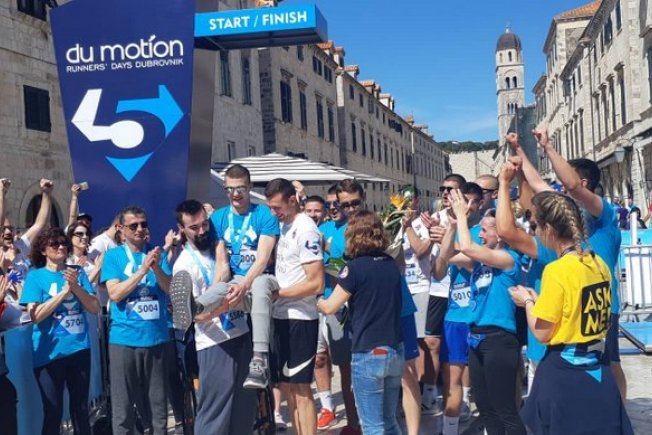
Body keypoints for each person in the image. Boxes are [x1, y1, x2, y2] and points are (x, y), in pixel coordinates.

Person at [512, 129, 626, 399]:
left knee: (608, 363)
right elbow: (538, 185)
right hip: (573, 298)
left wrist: (549, 147)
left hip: (598, 302)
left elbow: (572, 187)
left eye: (563, 179)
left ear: (583, 182)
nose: (561, 187)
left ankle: (618, 410)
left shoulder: (602, 214)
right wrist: (519, 150)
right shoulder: (569, 214)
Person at [509, 191, 633, 434]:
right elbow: (579, 309)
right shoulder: (598, 264)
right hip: (598, 367)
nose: (534, 232)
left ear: (548, 229)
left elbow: (542, 333)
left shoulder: (557, 270)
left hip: (565, 372)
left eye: (535, 226)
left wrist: (528, 302)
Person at [171, 164, 279, 389]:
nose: (235, 194)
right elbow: (222, 264)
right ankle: (195, 307)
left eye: (240, 189)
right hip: (238, 280)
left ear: (249, 187)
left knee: (259, 284)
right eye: (230, 189)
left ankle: (259, 359)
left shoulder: (263, 214)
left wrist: (244, 284)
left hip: (263, 278)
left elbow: (262, 260)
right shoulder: (219, 218)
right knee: (223, 285)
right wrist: (216, 294)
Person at [171, 200, 256, 434]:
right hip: (213, 342)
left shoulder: (221, 249)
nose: (201, 231)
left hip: (241, 331)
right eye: (194, 227)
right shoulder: (184, 265)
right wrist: (220, 309)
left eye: (204, 224)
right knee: (215, 412)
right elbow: (190, 317)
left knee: (244, 408)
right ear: (182, 229)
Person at [446, 191, 526, 434]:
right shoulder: (479, 262)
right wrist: (452, 225)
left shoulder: (508, 258)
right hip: (476, 337)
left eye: (484, 230)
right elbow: (448, 255)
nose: (479, 235)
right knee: (485, 407)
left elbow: (467, 247)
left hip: (499, 339)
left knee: (505, 409)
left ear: (499, 234)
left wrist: (463, 216)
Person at [318, 210, 404, 435]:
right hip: (395, 349)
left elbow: (330, 307)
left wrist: (317, 299)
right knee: (390, 421)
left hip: (368, 351)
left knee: (372, 426)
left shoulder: (353, 269)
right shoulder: (390, 263)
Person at [20, 228, 100, 435]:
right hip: (49, 355)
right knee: (53, 411)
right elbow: (36, 315)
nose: (61, 247)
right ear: (43, 250)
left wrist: (76, 287)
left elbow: (94, 307)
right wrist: (63, 293)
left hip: (79, 349)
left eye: (64, 243)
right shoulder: (35, 277)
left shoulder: (77, 272)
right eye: (54, 244)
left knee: (80, 409)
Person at [101, 206, 172, 434]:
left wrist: (156, 267)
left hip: (156, 339)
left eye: (144, 224)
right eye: (134, 225)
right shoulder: (113, 257)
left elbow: (170, 289)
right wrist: (142, 271)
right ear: (121, 229)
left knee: (158, 407)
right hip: (124, 340)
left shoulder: (157, 253)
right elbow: (115, 294)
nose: (140, 229)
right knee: (123, 408)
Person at [266, 178, 324, 435]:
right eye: (270, 207)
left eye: (277, 207)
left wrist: (277, 294)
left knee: (301, 389)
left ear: (293, 200)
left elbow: (316, 283)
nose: (273, 213)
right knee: (288, 386)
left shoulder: (306, 228)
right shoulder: (283, 226)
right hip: (282, 316)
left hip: (301, 317)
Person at [432, 182, 483, 435]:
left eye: (470, 202)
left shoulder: (485, 232)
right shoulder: (452, 230)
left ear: (479, 204)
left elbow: (472, 260)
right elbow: (439, 272)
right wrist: (450, 230)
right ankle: (449, 430)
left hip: (480, 318)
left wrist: (448, 241)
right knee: (451, 380)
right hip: (454, 317)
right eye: (461, 202)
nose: (465, 207)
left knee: (485, 382)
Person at [315, 184, 359, 432]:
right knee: (323, 359)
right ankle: (330, 410)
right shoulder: (322, 229)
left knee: (348, 366)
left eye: (337, 204)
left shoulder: (354, 229)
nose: (333, 208)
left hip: (347, 304)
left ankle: (356, 421)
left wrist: (328, 256)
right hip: (324, 303)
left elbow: (347, 269)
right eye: (329, 204)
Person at [423, 173, 466, 414]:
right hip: (438, 288)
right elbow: (421, 251)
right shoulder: (435, 218)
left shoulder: (468, 219)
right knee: (432, 342)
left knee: (462, 347)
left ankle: (465, 397)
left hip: (463, 290)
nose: (446, 193)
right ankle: (429, 395)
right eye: (443, 189)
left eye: (451, 189)